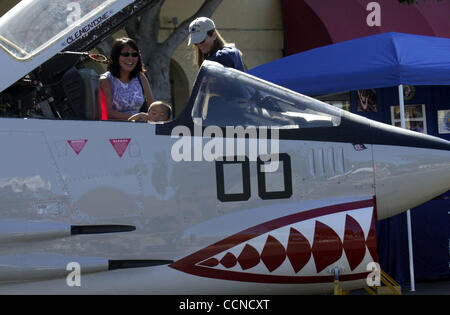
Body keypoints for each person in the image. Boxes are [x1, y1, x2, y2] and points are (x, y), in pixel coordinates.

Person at [100, 38, 153, 121]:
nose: (130, 58)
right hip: (113, 129)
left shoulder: (140, 77)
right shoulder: (106, 80)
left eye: (134, 54)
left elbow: (151, 107)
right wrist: (135, 117)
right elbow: (106, 112)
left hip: (140, 128)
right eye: (125, 54)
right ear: (116, 57)